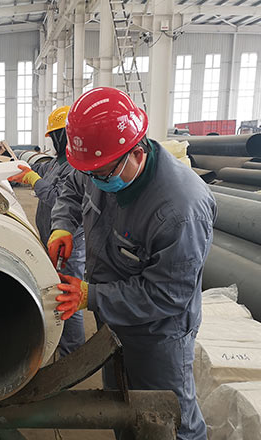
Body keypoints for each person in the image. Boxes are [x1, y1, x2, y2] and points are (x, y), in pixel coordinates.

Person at [48, 87, 216, 440]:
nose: (95, 181)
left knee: (168, 418)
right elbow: (73, 188)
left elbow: (168, 293)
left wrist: (91, 296)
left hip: (158, 334)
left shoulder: (179, 210)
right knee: (122, 408)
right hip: (112, 320)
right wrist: (62, 225)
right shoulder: (102, 165)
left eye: (101, 175)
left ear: (136, 154)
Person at [8, 106, 86, 356]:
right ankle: (61, 342)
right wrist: (15, 169)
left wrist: (33, 180)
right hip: (51, 238)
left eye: (54, 136)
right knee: (55, 290)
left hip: (69, 243)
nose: (53, 141)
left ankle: (72, 352)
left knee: (67, 294)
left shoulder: (76, 167)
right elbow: (41, 173)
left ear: (64, 135)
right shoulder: (56, 163)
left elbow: (56, 198)